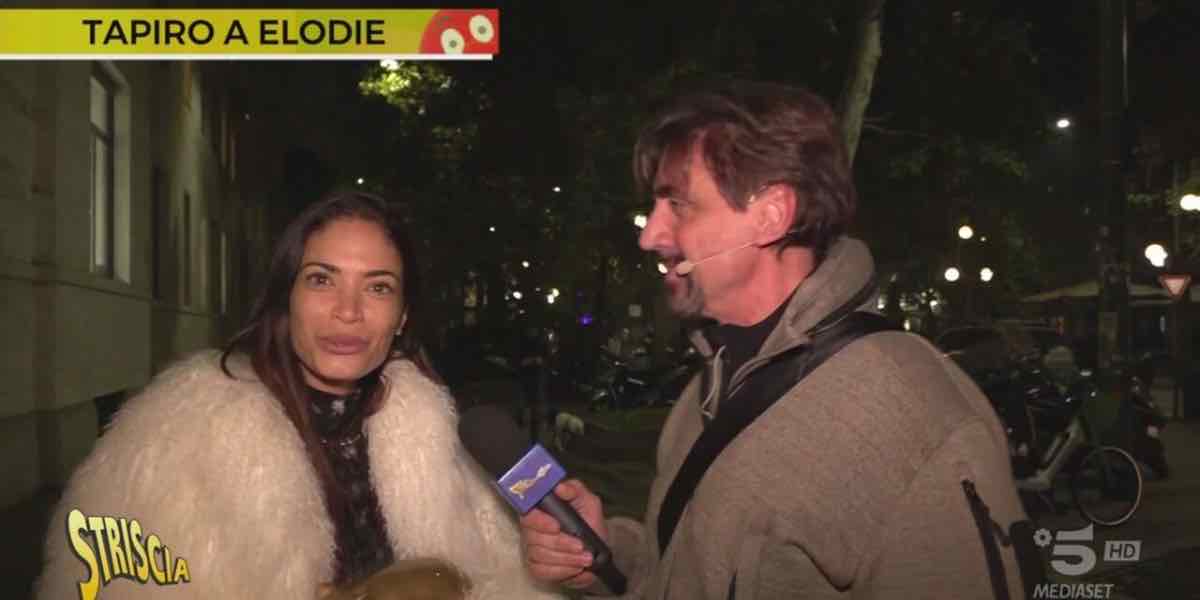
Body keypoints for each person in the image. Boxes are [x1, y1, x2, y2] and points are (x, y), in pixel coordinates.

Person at [518, 81, 1031, 598]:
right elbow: (690, 567)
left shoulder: (914, 414)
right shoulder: (709, 384)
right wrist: (609, 555)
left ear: (771, 215)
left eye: (679, 205)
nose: (649, 235)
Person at [36, 192, 561, 599]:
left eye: (378, 287)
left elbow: (504, 577)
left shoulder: (438, 433)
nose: (348, 311)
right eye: (321, 280)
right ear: (285, 297)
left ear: (401, 317)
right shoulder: (173, 435)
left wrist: (560, 562)